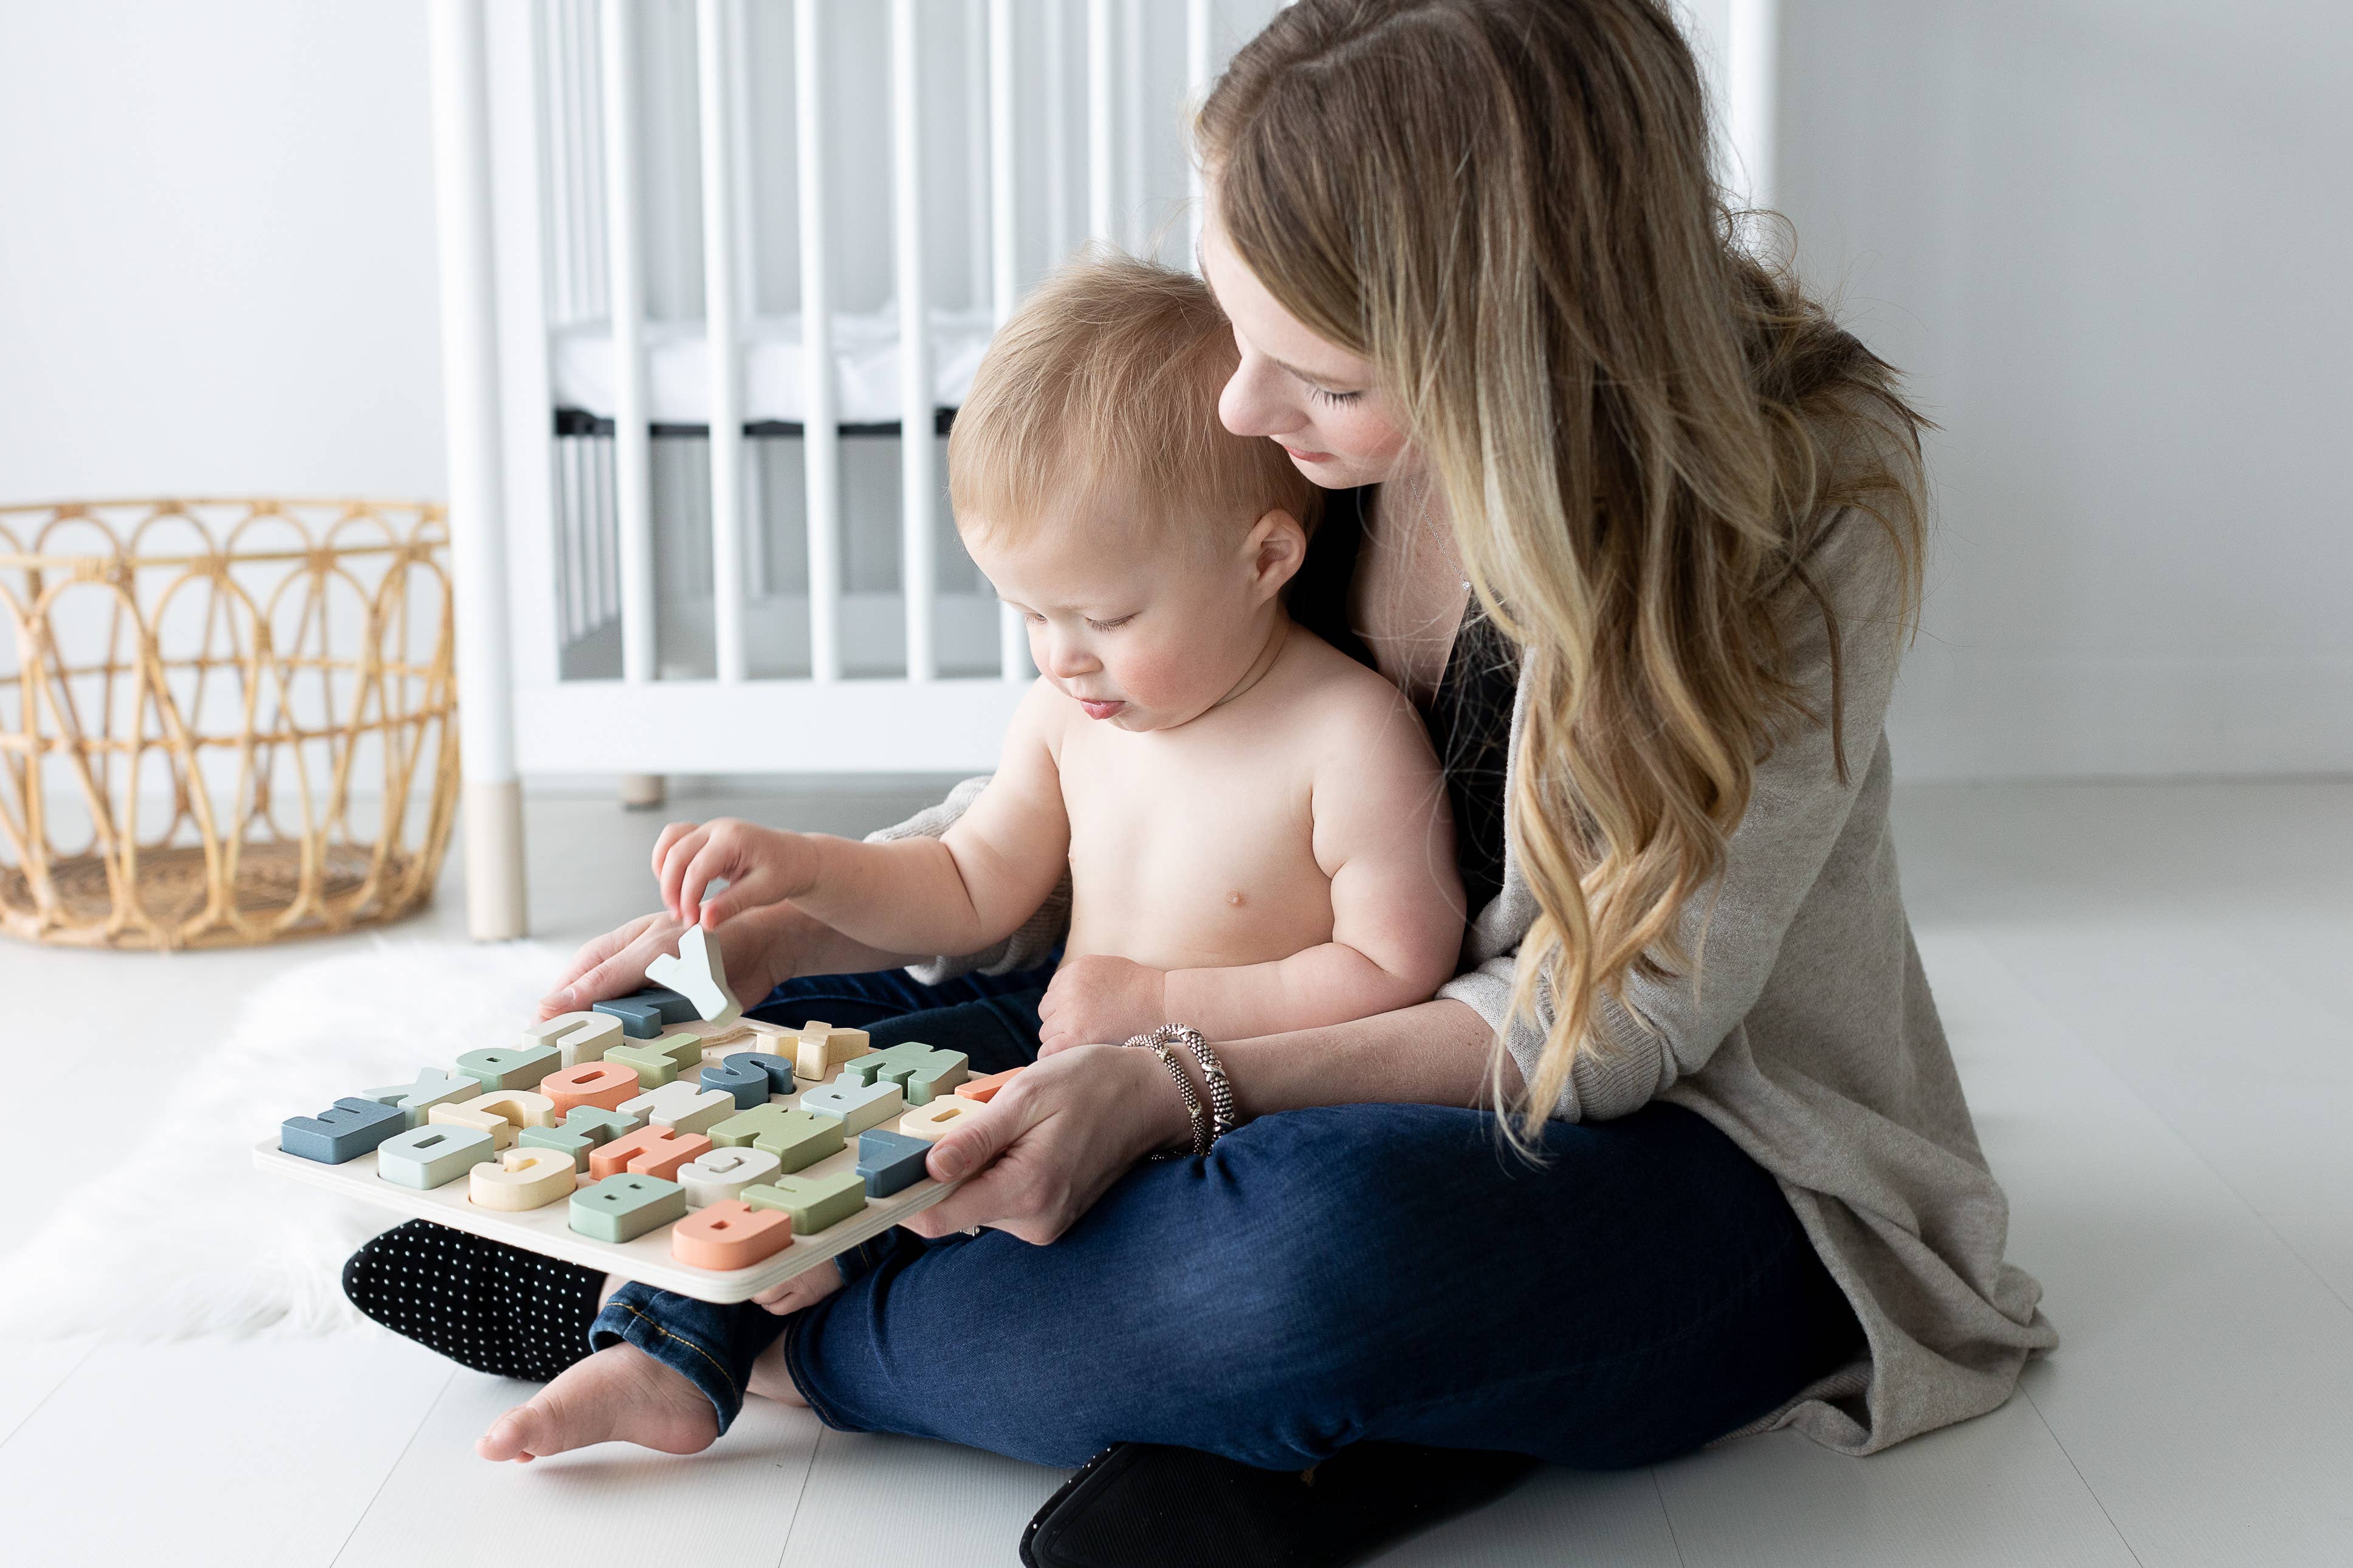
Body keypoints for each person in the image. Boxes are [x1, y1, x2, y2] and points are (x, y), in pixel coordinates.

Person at [342, 4, 2057, 1563]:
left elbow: (1603, 1033)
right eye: (1243, 324)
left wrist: (1177, 1078)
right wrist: (815, 904)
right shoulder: (1291, 437)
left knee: (1312, 1261)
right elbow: (1098, 783)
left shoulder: (1789, 498)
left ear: (1501, 345)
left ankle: (754, 1332)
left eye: (1319, 374)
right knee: (772, 1030)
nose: (1244, 400)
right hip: (1246, 1038)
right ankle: (1261, 1431)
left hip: (1667, 1156)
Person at [645, 253, 1463, 1066]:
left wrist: (1164, 1004)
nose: (1062, 657)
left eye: (1105, 618)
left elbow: (1394, 965)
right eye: (1031, 614)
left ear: (1264, 561)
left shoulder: (1347, 736)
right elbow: (965, 886)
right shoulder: (1066, 718)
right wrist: (809, 866)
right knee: (830, 1083)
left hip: (1244, 1097)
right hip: (1070, 1060)